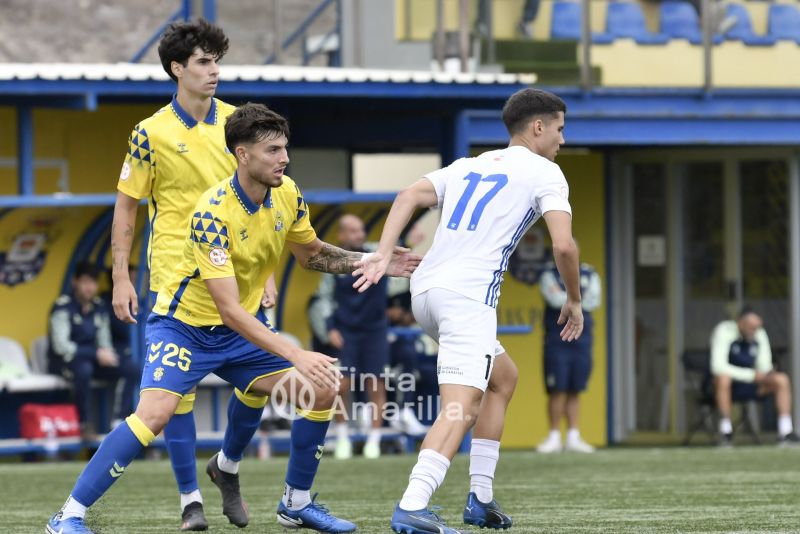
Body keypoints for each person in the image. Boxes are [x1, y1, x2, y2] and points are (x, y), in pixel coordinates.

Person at [46, 103, 421, 534]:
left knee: (324, 388)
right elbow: (228, 308)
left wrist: (373, 261)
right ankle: (68, 515)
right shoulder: (211, 213)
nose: (284, 158)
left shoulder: (288, 193)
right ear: (242, 155)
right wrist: (294, 352)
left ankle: (294, 504)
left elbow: (312, 253)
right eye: (273, 150)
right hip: (184, 326)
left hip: (236, 332)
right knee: (154, 414)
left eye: (285, 148)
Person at [354, 88, 584, 533]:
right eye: (559, 129)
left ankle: (480, 498)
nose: (562, 140)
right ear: (538, 127)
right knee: (461, 404)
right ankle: (413, 504)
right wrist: (573, 300)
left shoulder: (469, 165)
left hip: (425, 291)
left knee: (503, 377)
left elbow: (407, 194)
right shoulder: (546, 173)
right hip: (466, 298)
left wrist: (383, 252)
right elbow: (564, 245)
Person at [108, 19, 276, 530]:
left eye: (216, 60)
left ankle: (226, 465)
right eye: (203, 61)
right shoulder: (149, 133)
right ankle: (190, 501)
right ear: (177, 69)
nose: (214, 71)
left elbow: (265, 201)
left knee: (265, 378)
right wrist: (121, 275)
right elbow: (126, 209)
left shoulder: (238, 126)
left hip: (236, 277)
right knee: (176, 394)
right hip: (174, 279)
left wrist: (267, 270)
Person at [314, 214, 391, 460]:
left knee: (375, 384)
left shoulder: (375, 255)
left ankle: (374, 441)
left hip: (375, 330)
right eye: (354, 230)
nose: (360, 234)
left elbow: (398, 248)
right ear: (342, 235)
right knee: (342, 385)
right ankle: (343, 437)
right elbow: (324, 298)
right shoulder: (333, 263)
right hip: (346, 331)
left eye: (361, 230)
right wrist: (330, 329)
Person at [48, 262, 139, 441]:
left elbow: (103, 340)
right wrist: (96, 353)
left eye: (93, 283)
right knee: (83, 369)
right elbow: (61, 346)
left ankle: (118, 423)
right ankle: (85, 424)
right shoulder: (62, 306)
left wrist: (107, 353)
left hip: (91, 360)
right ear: (75, 282)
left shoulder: (98, 307)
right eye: (85, 282)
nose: (90, 287)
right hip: (64, 362)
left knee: (131, 369)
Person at [536, 254, 601, 454]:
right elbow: (555, 299)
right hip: (557, 340)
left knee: (575, 387)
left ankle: (573, 436)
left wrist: (571, 298)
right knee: (557, 388)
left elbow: (593, 300)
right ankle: (554, 436)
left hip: (581, 340)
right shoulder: (549, 274)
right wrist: (575, 299)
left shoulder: (590, 273)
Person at [710, 306, 799, 446]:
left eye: (756, 327)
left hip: (752, 385)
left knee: (781, 379)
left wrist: (768, 372)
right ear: (740, 322)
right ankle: (725, 432)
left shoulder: (759, 333)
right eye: (750, 327)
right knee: (723, 379)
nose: (754, 331)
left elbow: (764, 365)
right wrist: (751, 375)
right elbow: (718, 367)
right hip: (728, 386)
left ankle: (785, 432)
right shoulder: (724, 330)